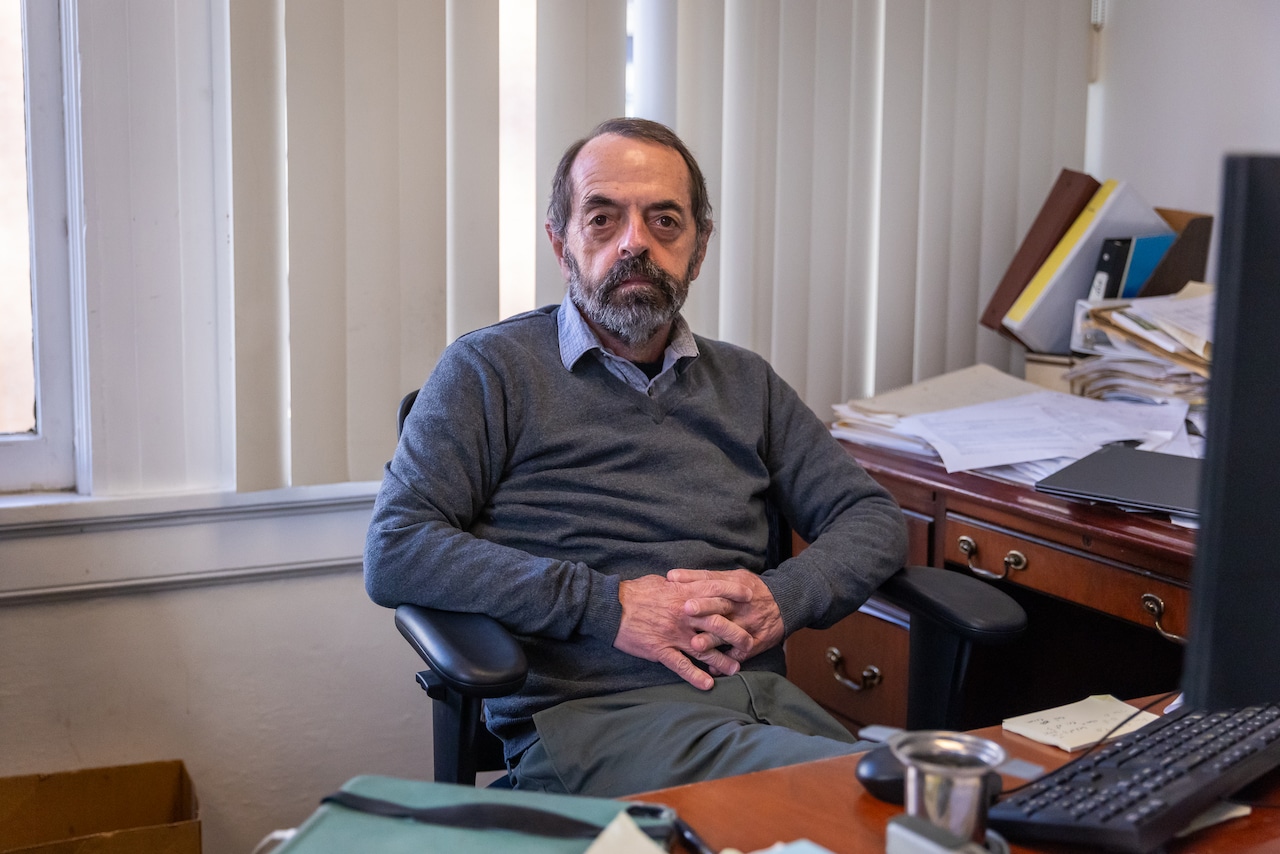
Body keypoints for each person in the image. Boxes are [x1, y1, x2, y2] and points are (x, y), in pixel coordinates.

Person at [364, 117, 908, 797]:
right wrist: (607, 605)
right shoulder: (488, 371)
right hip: (596, 724)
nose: (635, 244)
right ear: (560, 244)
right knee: (855, 802)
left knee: (911, 805)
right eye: (602, 219)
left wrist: (784, 596)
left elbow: (873, 519)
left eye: (665, 222)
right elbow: (397, 548)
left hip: (765, 712)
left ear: (699, 248)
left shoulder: (746, 383)